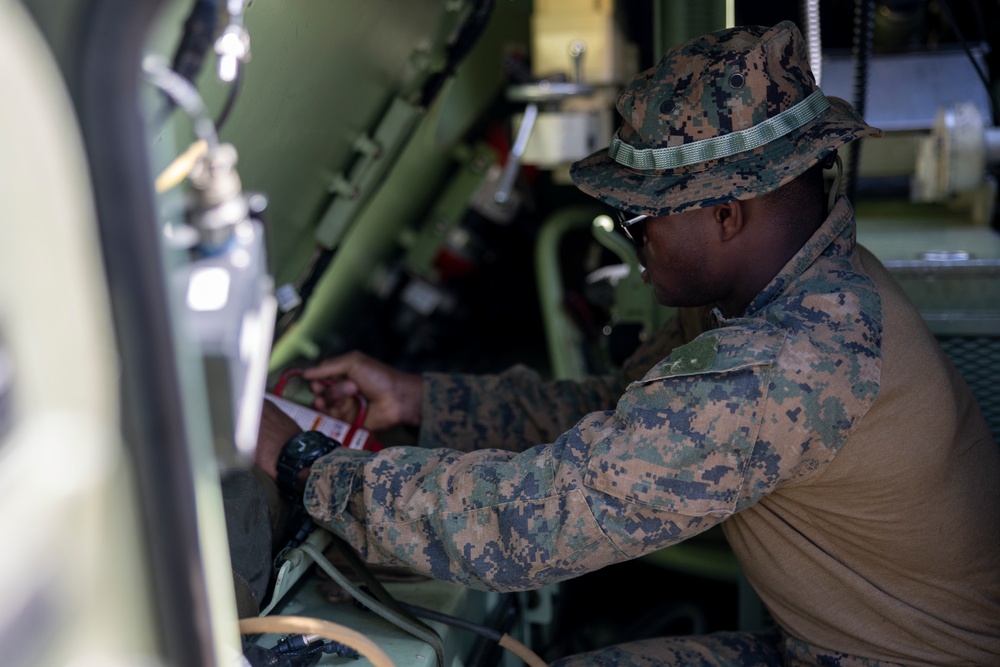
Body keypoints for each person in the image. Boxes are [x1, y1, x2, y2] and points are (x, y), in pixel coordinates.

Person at [255, 21, 1000, 666]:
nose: (628, 238)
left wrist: (302, 461)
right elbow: (615, 410)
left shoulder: (783, 365)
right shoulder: (794, 285)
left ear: (727, 215)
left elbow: (527, 523)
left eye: (640, 220)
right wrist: (421, 400)